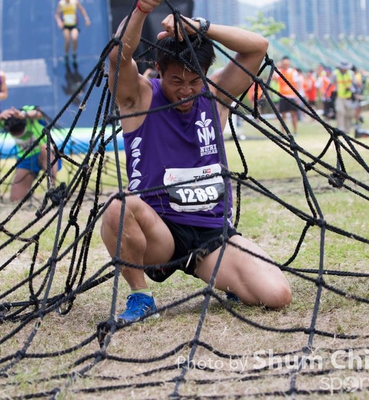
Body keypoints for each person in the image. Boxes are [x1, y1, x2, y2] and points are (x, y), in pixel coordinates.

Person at [102, 0, 291, 323]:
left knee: (277, 296)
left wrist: (201, 27)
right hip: (159, 233)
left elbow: (258, 47)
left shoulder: (215, 95)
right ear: (159, 69)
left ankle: (226, 278)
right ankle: (141, 297)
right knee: (118, 206)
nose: (186, 91)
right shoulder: (138, 97)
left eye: (194, 81)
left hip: (210, 233)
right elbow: (119, 56)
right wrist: (142, 10)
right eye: (177, 81)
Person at [0, 106, 60, 202]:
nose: (18, 134)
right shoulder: (6, 119)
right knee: (15, 198)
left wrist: (24, 115)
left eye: (20, 130)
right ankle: (28, 192)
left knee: (45, 148)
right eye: (15, 132)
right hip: (26, 159)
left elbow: (40, 113)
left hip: (46, 155)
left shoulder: (26, 112)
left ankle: (52, 188)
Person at [55, 0, 91, 65]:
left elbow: (81, 9)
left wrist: (86, 19)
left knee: (74, 38)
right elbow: (57, 14)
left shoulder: (75, 2)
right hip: (66, 25)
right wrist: (59, 22)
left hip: (74, 25)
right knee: (67, 40)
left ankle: (74, 54)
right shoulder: (61, 3)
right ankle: (66, 55)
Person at [275, 56, 300, 135]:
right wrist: (277, 67)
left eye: (287, 63)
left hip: (291, 96)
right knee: (283, 116)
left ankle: (295, 131)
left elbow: (297, 84)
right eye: (284, 63)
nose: (285, 65)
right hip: (282, 96)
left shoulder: (293, 72)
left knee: (293, 115)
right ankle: (283, 132)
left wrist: (297, 96)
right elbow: (273, 78)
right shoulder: (279, 71)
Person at [330, 61, 355, 133]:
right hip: (339, 97)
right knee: (340, 112)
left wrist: (352, 90)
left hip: (348, 97)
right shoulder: (335, 74)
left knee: (349, 113)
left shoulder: (351, 74)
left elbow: (354, 84)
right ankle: (341, 129)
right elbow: (331, 83)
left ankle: (347, 129)